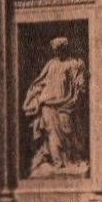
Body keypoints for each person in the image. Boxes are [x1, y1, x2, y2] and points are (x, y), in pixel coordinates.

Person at [22, 37, 89, 175]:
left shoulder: (74, 63)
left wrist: (80, 87)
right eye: (55, 50)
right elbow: (40, 81)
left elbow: (80, 82)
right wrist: (35, 95)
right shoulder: (51, 64)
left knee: (68, 131)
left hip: (66, 104)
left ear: (65, 49)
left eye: (59, 49)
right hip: (47, 104)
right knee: (52, 134)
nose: (57, 52)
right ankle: (57, 163)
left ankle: (71, 161)